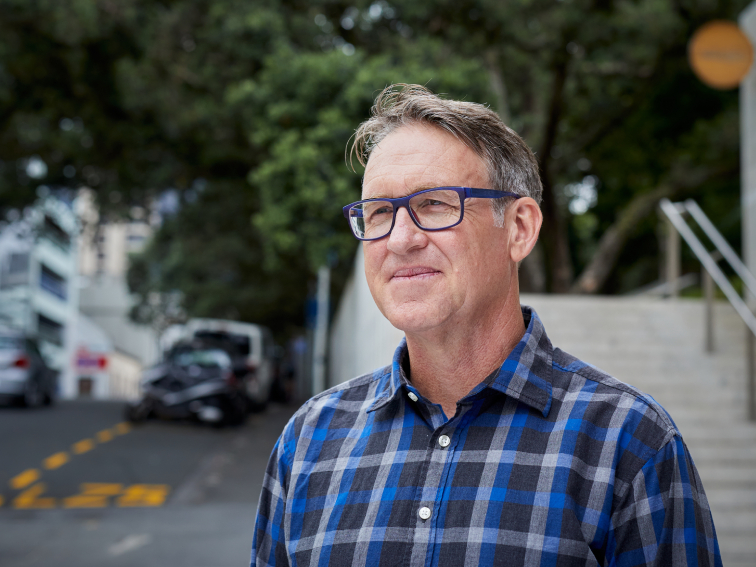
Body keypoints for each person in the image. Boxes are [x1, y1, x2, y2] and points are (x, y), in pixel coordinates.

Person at [252, 84, 722, 567]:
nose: (400, 238)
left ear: (518, 228)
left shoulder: (629, 444)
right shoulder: (308, 442)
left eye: (434, 203)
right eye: (378, 212)